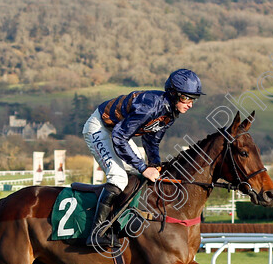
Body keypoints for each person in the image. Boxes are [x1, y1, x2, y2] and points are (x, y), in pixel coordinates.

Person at [83, 69, 204, 247]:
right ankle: (97, 232)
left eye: (194, 99)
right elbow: (119, 136)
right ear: (173, 94)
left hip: (118, 131)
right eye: (186, 98)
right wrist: (144, 167)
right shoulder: (150, 107)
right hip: (100, 127)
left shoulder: (169, 113)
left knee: (140, 175)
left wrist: (155, 165)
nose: (190, 104)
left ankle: (119, 222)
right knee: (118, 176)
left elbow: (151, 141)